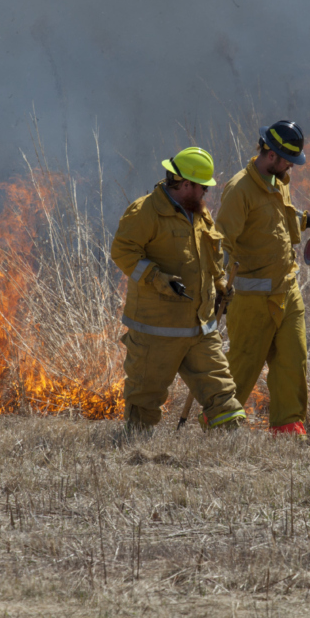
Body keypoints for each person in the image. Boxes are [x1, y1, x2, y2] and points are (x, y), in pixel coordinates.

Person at [216, 121, 310, 438]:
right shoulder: (239, 190)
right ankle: (219, 419)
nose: (292, 166)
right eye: (288, 159)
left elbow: (283, 218)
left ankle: (288, 426)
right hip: (252, 299)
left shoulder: (279, 181)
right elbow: (220, 242)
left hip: (287, 291)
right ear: (271, 154)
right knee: (244, 364)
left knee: (293, 360)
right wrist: (216, 285)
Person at [111, 147, 246, 432]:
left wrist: (220, 284)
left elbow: (210, 255)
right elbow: (123, 252)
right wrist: (158, 278)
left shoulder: (198, 213)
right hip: (156, 328)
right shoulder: (145, 211)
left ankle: (230, 439)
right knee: (144, 396)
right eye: (202, 188)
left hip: (200, 326)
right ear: (186, 185)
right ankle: (137, 445)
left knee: (221, 389)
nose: (205, 194)